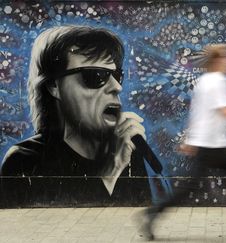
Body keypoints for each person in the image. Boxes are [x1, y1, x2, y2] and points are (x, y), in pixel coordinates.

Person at [0, 26, 165, 206]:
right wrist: (111, 171)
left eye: (116, 75)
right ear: (54, 85)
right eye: (96, 75)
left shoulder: (124, 148)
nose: (116, 86)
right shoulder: (24, 161)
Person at [138, 44, 226, 240]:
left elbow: (197, 113)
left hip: (211, 144)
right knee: (198, 187)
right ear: (217, 61)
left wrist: (190, 139)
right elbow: (225, 112)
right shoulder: (217, 81)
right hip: (213, 146)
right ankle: (154, 212)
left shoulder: (203, 81)